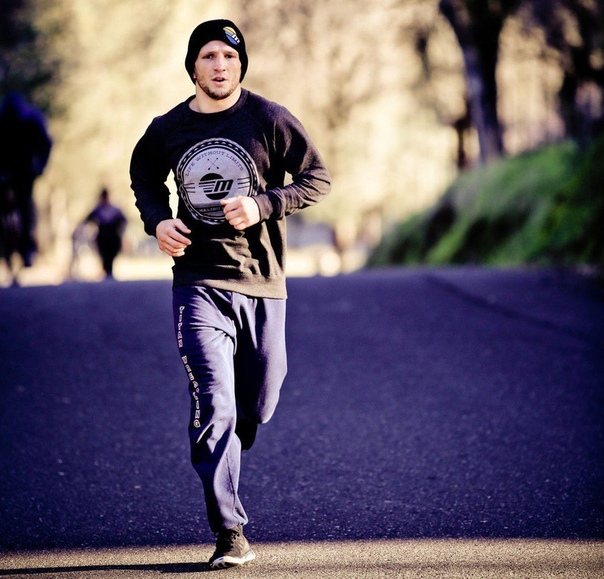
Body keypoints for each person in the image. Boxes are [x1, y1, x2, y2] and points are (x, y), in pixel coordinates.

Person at [129, 19, 330, 569]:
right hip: (198, 283)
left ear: (241, 64)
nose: (220, 65)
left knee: (258, 402)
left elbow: (316, 178)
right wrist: (157, 221)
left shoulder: (268, 119)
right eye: (209, 56)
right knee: (214, 404)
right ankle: (229, 530)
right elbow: (144, 178)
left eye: (229, 56)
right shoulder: (167, 128)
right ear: (192, 66)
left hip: (262, 280)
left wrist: (263, 204)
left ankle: (240, 428)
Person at [0, 92, 52, 272]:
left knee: (25, 205)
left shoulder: (31, 121)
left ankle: (27, 247)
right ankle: (8, 248)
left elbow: (46, 144)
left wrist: (39, 166)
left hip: (25, 171)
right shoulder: (4, 121)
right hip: (5, 170)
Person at [80, 188, 127, 278]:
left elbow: (124, 221)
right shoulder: (98, 210)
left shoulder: (114, 211)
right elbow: (87, 219)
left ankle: (109, 270)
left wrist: (121, 232)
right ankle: (107, 271)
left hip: (113, 237)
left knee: (110, 255)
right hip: (103, 237)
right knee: (104, 255)